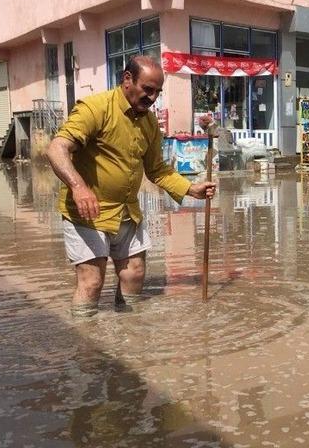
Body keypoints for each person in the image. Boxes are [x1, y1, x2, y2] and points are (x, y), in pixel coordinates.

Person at [47, 56, 216, 317]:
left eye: (157, 92)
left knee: (135, 274)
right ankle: (86, 347)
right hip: (87, 212)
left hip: (126, 210)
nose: (152, 97)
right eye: (147, 89)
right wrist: (78, 187)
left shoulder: (149, 123)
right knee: (91, 281)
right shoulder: (95, 108)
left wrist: (190, 189)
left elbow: (157, 170)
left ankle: (129, 334)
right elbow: (57, 148)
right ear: (127, 80)